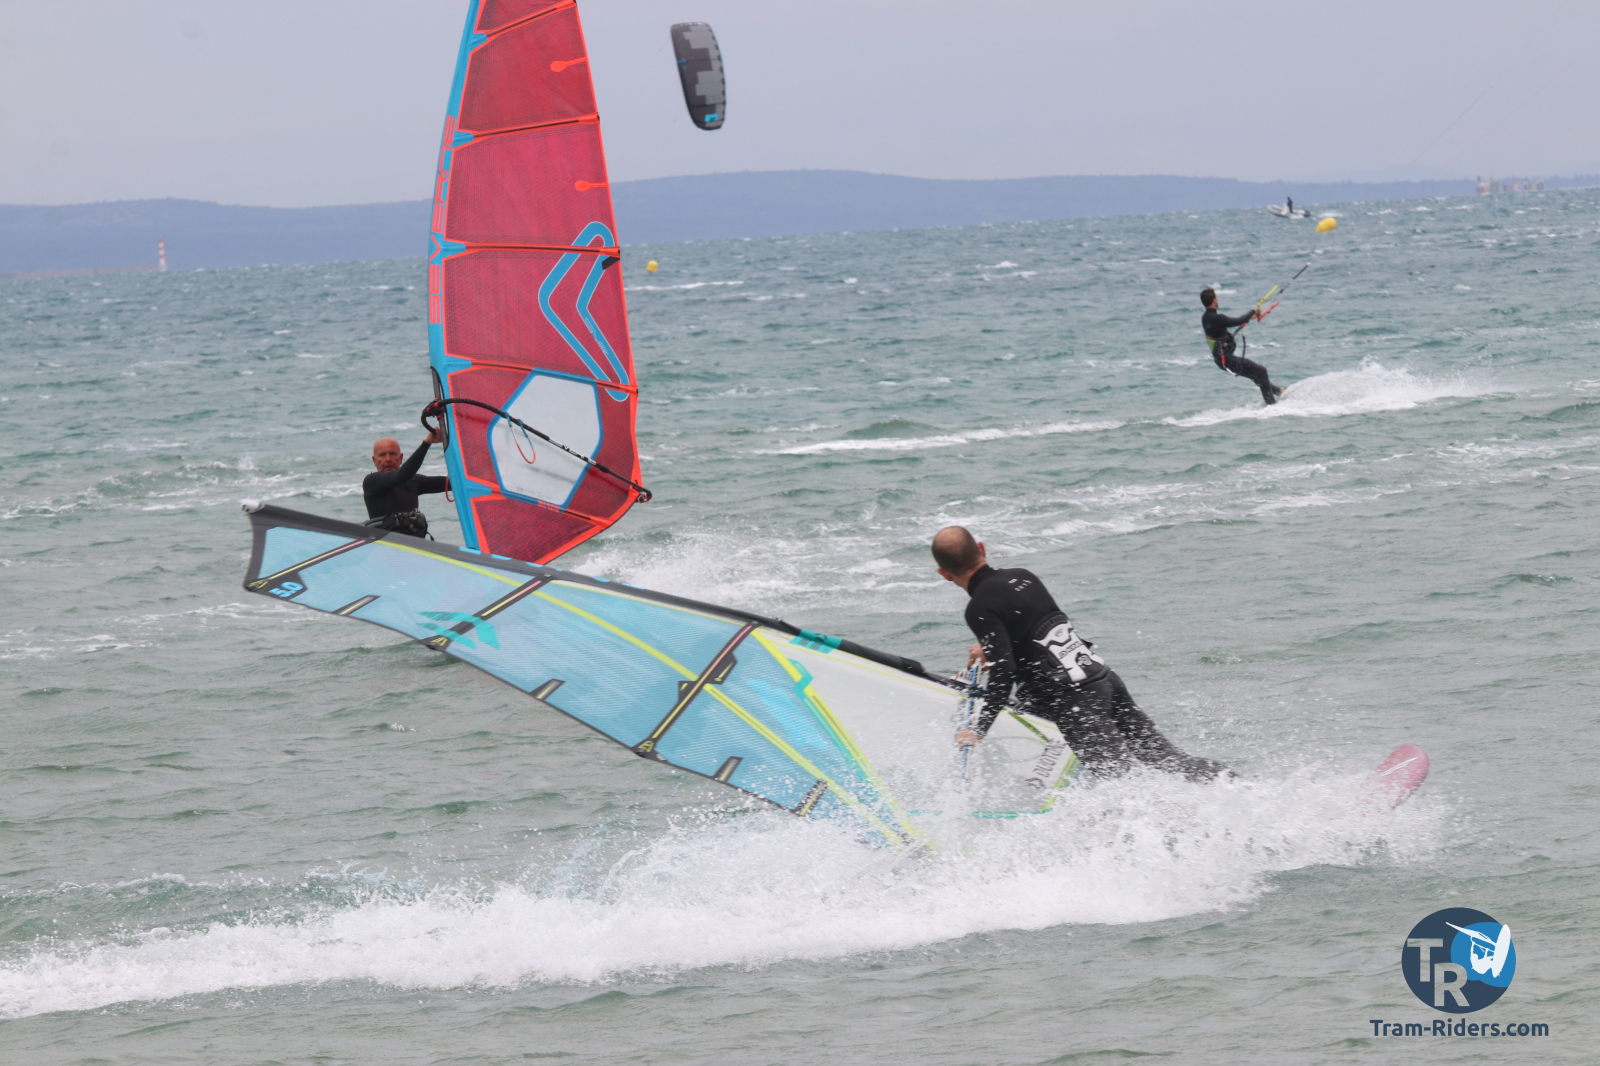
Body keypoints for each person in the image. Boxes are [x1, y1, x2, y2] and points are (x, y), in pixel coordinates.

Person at [931, 525, 1228, 781]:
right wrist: (993, 647)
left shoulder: (979, 607)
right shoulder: (1023, 577)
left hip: (1075, 701)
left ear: (944, 574)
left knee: (1118, 782)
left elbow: (1004, 672)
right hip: (1103, 680)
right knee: (1167, 760)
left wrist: (979, 729)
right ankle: (1235, 786)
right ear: (982, 549)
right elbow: (1037, 627)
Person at [1201, 288, 1285, 405]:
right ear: (1214, 300)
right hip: (1227, 360)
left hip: (1222, 360)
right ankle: (1271, 405)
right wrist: (1252, 311)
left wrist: (1250, 317)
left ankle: (1278, 392)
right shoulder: (1216, 318)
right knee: (1261, 371)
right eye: (1216, 297)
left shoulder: (1206, 318)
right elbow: (1239, 320)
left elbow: (1228, 325)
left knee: (1256, 375)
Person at [363, 428, 449, 537]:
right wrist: (427, 443)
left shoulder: (413, 481)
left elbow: (450, 483)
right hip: (385, 543)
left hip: (413, 543)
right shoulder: (371, 482)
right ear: (374, 460)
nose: (388, 459)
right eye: (382, 455)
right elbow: (402, 475)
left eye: (392, 454)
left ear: (401, 458)